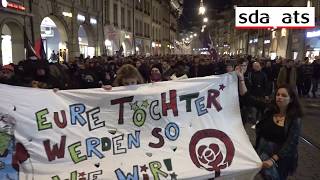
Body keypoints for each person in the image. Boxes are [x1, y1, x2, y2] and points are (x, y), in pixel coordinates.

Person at [236, 65, 303, 180]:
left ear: (291, 99)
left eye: (284, 96)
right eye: (278, 94)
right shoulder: (269, 109)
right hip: (262, 151)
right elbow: (247, 97)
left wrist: (273, 159)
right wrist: (241, 79)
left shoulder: (294, 119)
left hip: (280, 159)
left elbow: (291, 143)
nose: (279, 97)